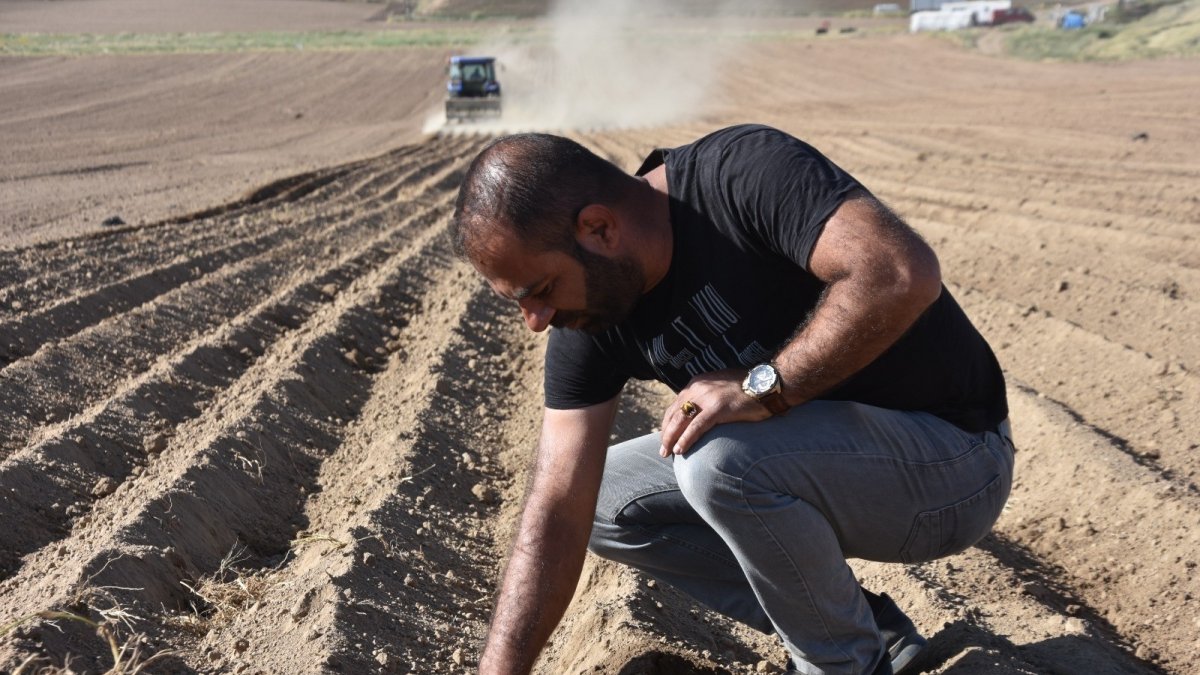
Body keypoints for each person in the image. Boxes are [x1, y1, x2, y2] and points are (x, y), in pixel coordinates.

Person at [450, 124, 1014, 675]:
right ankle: (861, 628)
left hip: (954, 464)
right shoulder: (591, 315)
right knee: (601, 503)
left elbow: (899, 272)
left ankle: (840, 665)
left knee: (719, 462)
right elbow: (556, 508)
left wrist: (762, 386)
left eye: (540, 291)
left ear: (599, 228)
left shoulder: (741, 175)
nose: (535, 321)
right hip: (825, 466)